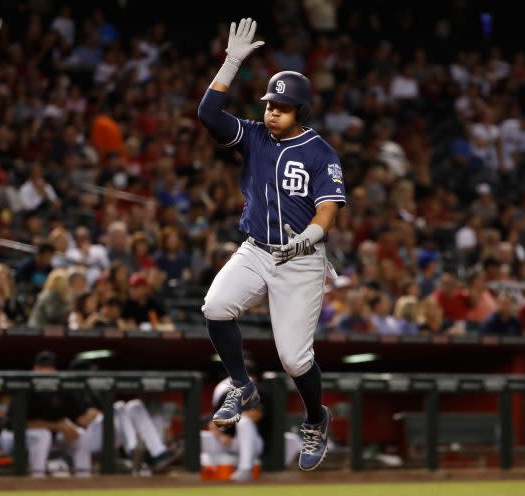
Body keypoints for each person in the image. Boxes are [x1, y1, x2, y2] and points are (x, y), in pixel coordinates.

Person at [197, 18, 346, 471]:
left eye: (282, 107)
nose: (271, 112)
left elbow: (328, 211)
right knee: (215, 307)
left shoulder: (321, 153)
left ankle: (317, 418)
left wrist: (311, 237)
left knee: (294, 359)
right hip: (258, 248)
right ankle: (241, 386)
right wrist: (232, 62)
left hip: (301, 259)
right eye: (268, 104)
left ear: (300, 111)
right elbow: (208, 115)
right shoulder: (256, 135)